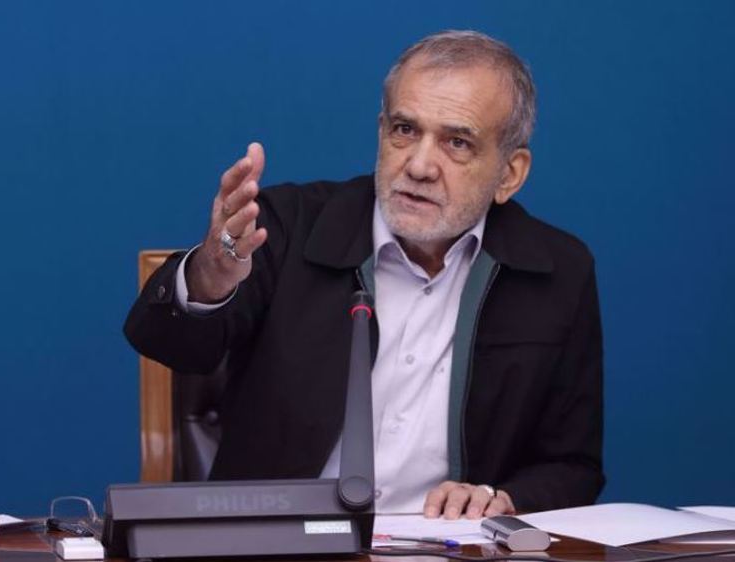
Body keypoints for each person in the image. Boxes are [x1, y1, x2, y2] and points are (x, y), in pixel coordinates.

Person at [125, 30, 604, 519]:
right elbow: (165, 341)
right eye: (404, 130)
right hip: (277, 545)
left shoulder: (558, 273)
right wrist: (211, 271)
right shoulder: (286, 228)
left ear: (510, 174)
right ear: (381, 131)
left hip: (449, 551)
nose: (419, 165)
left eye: (456, 142)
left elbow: (572, 466)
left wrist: (502, 499)